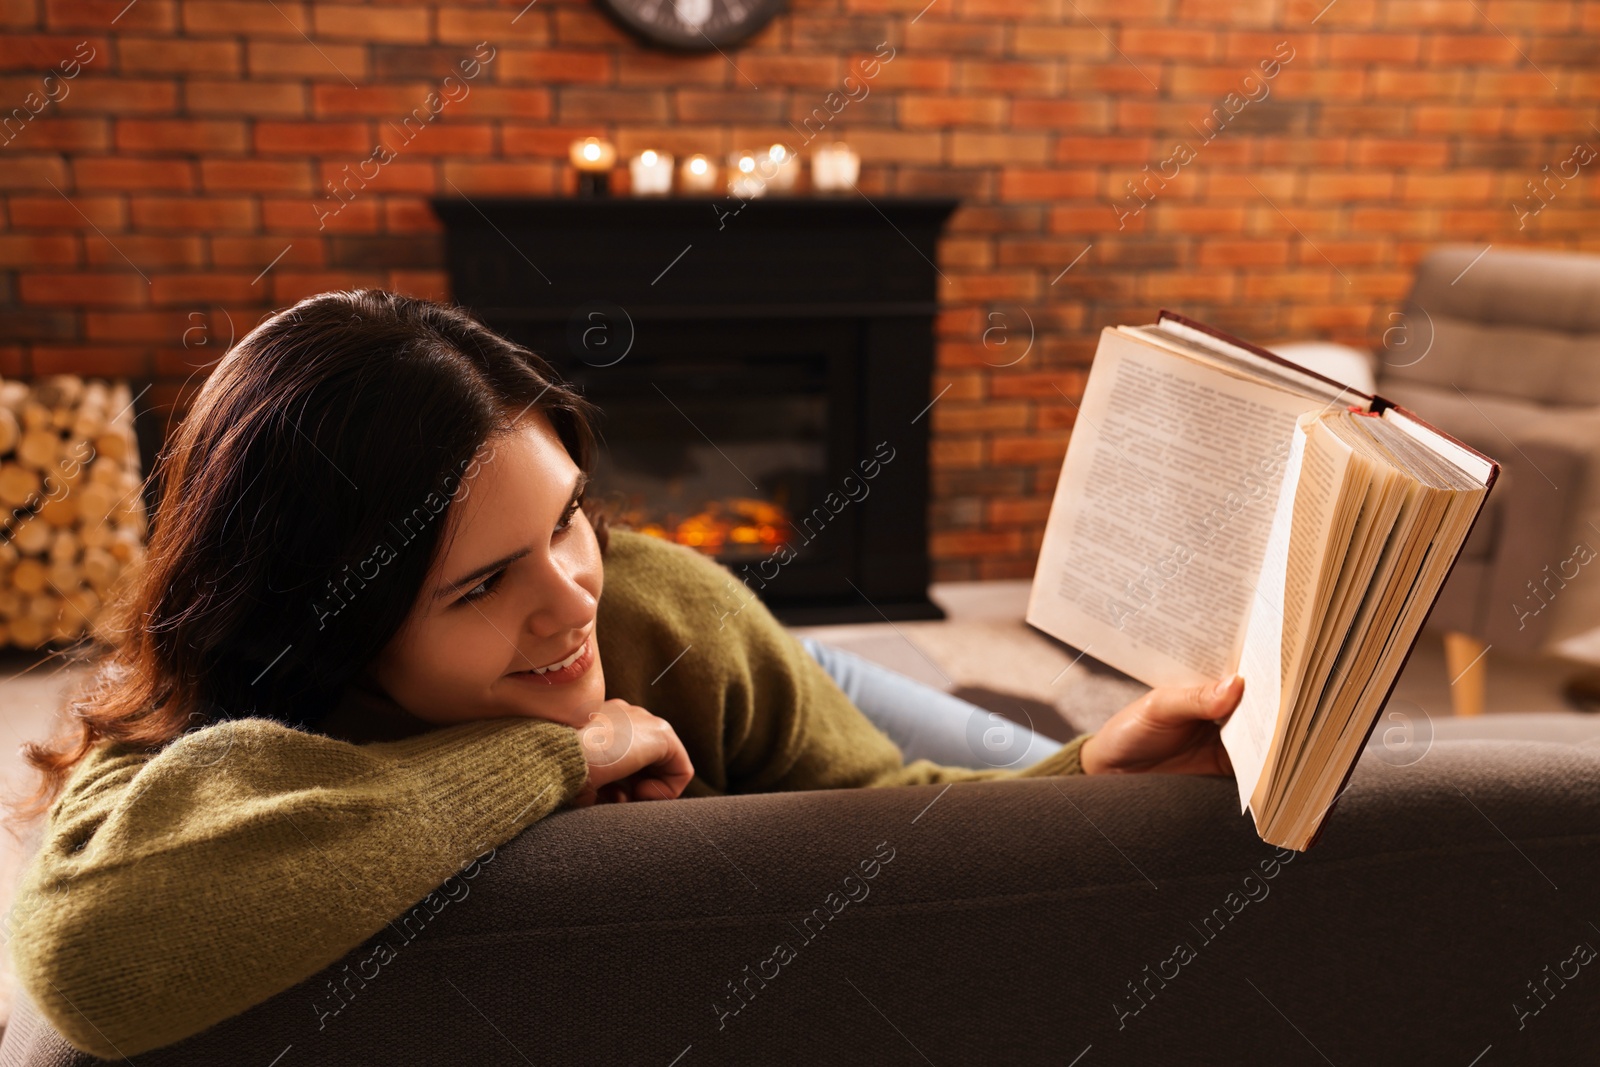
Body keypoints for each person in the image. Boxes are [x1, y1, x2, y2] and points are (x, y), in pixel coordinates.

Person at [6, 291, 1243, 1058]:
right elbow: (90, 959)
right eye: (480, 583)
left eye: (565, 517)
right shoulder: (217, 729)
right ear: (327, 628)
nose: (565, 595)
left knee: (1009, 755)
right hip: (648, 694)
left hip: (744, 664)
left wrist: (1083, 772)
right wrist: (561, 749)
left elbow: (888, 806)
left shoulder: (652, 595)